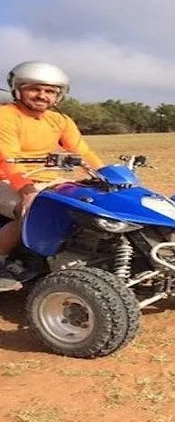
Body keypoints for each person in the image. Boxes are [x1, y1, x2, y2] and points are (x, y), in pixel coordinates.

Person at [0, 61, 105, 292]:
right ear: (18, 89)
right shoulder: (5, 116)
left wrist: (107, 176)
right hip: (6, 179)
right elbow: (9, 159)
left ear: (59, 96)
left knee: (90, 204)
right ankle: (4, 262)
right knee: (33, 210)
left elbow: (83, 152)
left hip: (46, 179)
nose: (42, 95)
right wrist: (27, 191)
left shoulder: (60, 120)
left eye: (50, 91)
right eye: (34, 89)